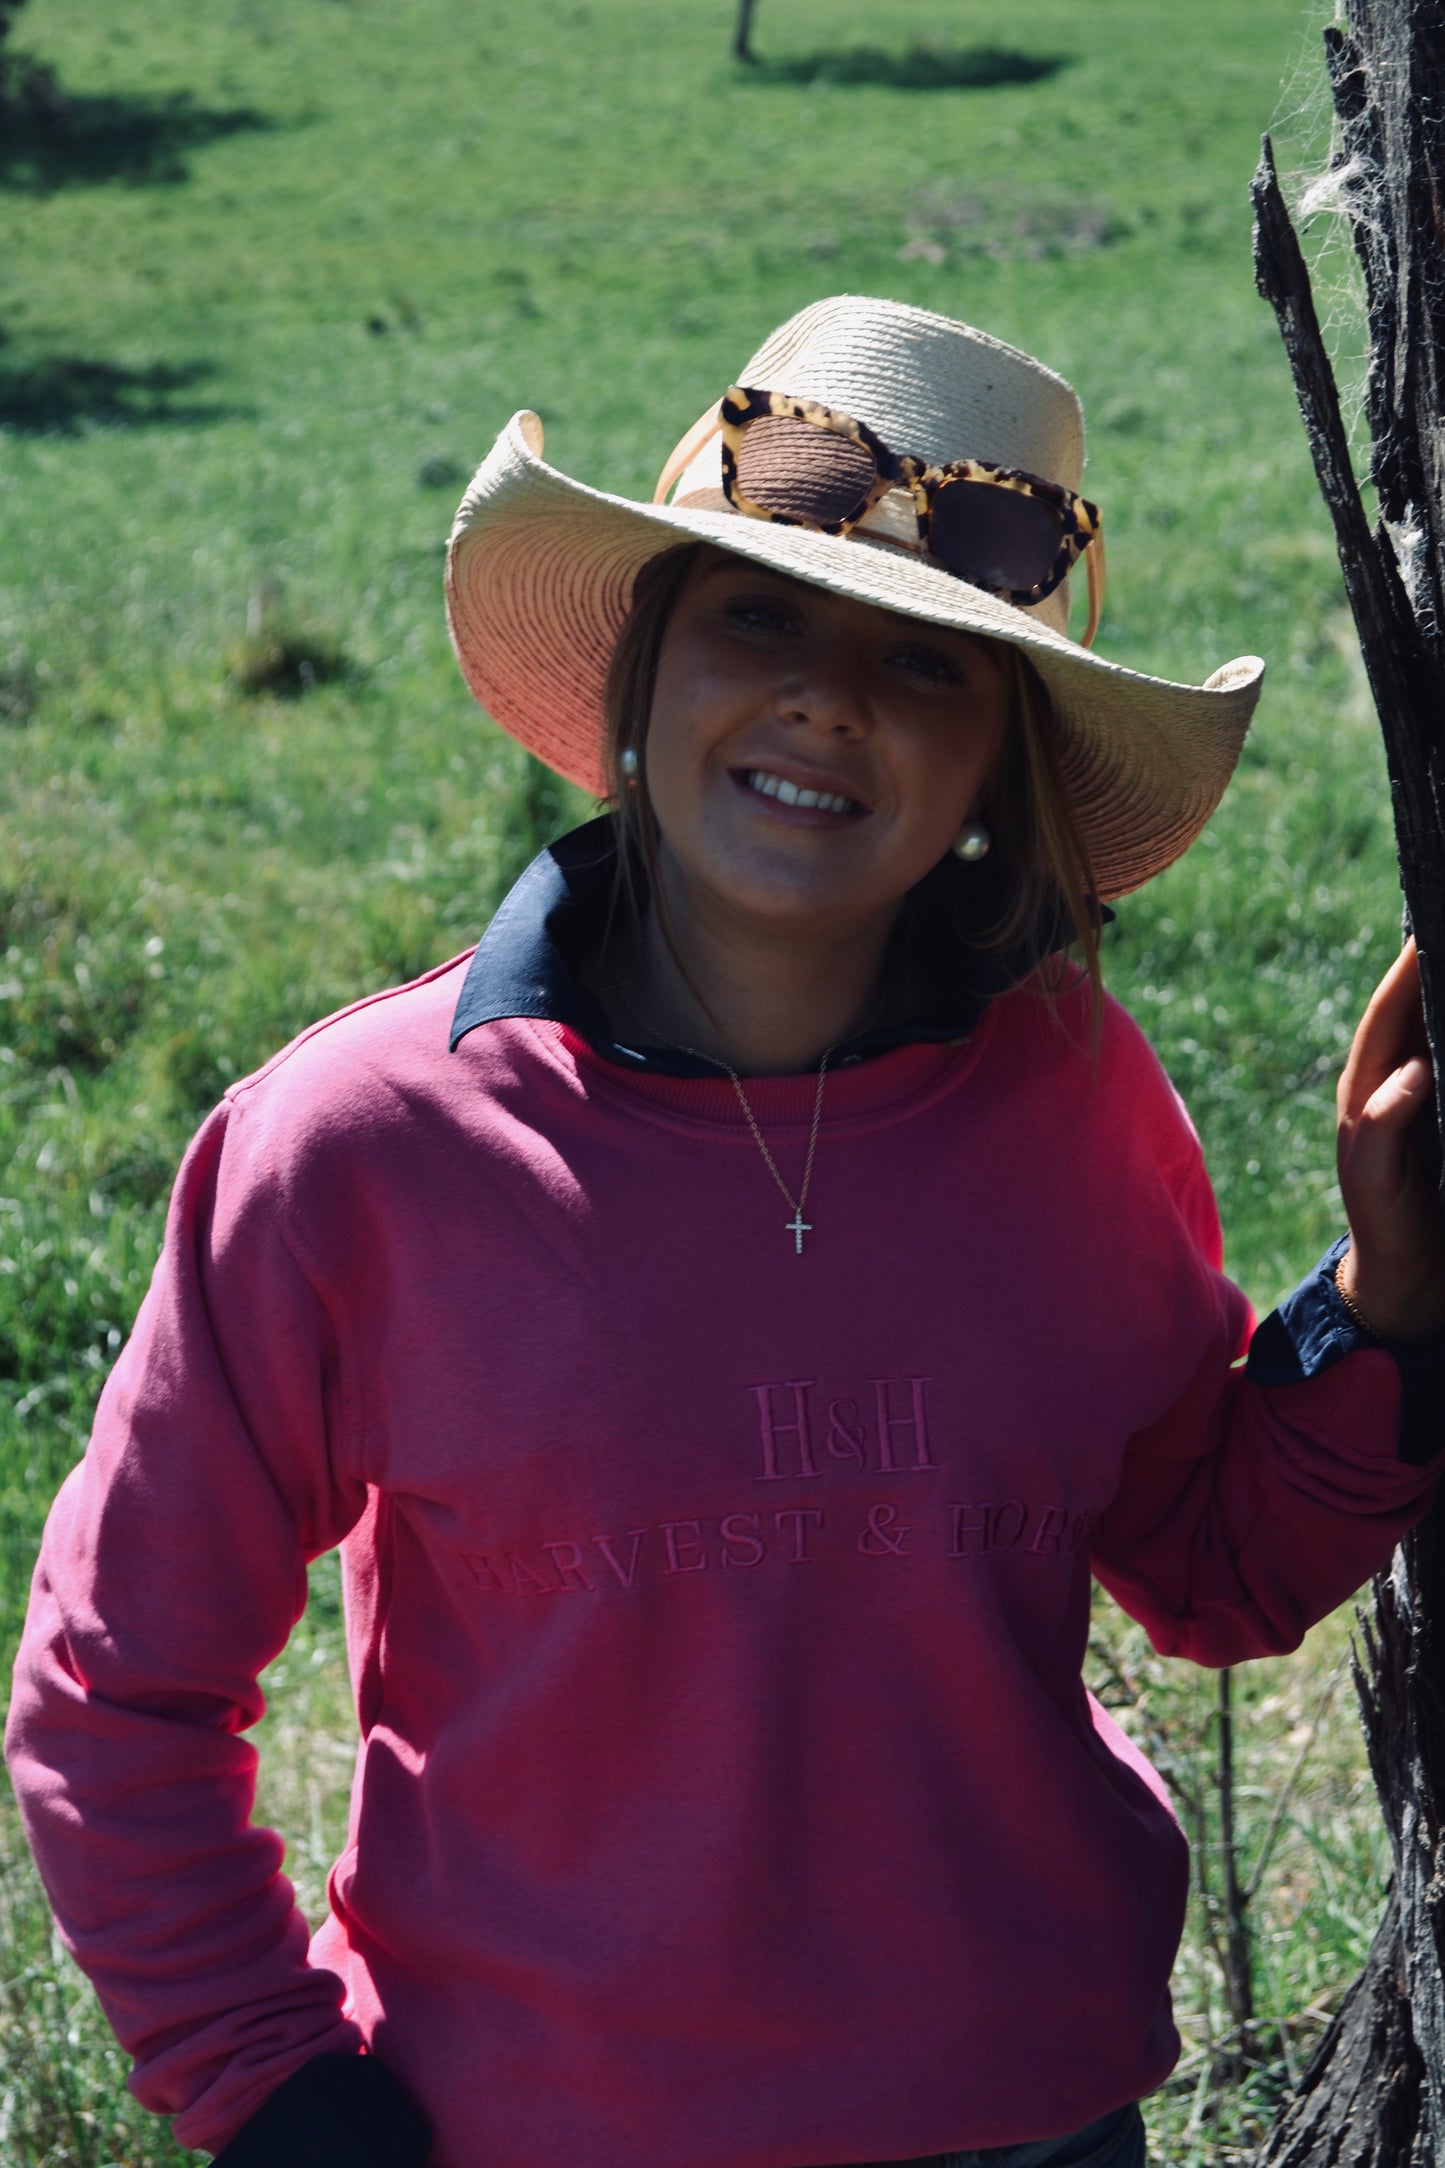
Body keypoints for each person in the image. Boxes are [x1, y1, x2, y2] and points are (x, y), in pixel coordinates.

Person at [7, 295, 1445, 2168]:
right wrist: (268, 2088)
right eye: (758, 613)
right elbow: (117, 1677)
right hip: (527, 2129)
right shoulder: (354, 1150)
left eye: (924, 665)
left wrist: (1384, 1304)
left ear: (996, 768)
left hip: (1027, 2120)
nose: (826, 700)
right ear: (639, 675)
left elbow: (1209, 1565)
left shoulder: (1073, 1109)